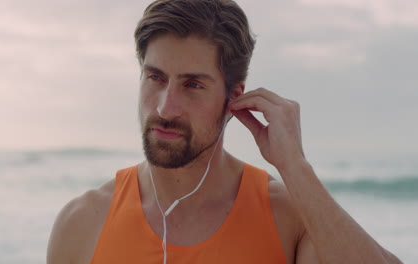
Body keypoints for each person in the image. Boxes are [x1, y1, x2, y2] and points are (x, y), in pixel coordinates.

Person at [47, 0, 403, 263]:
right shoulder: (82, 223)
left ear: (233, 96)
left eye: (193, 85)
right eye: (156, 78)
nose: (165, 108)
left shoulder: (289, 218)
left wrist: (295, 167)